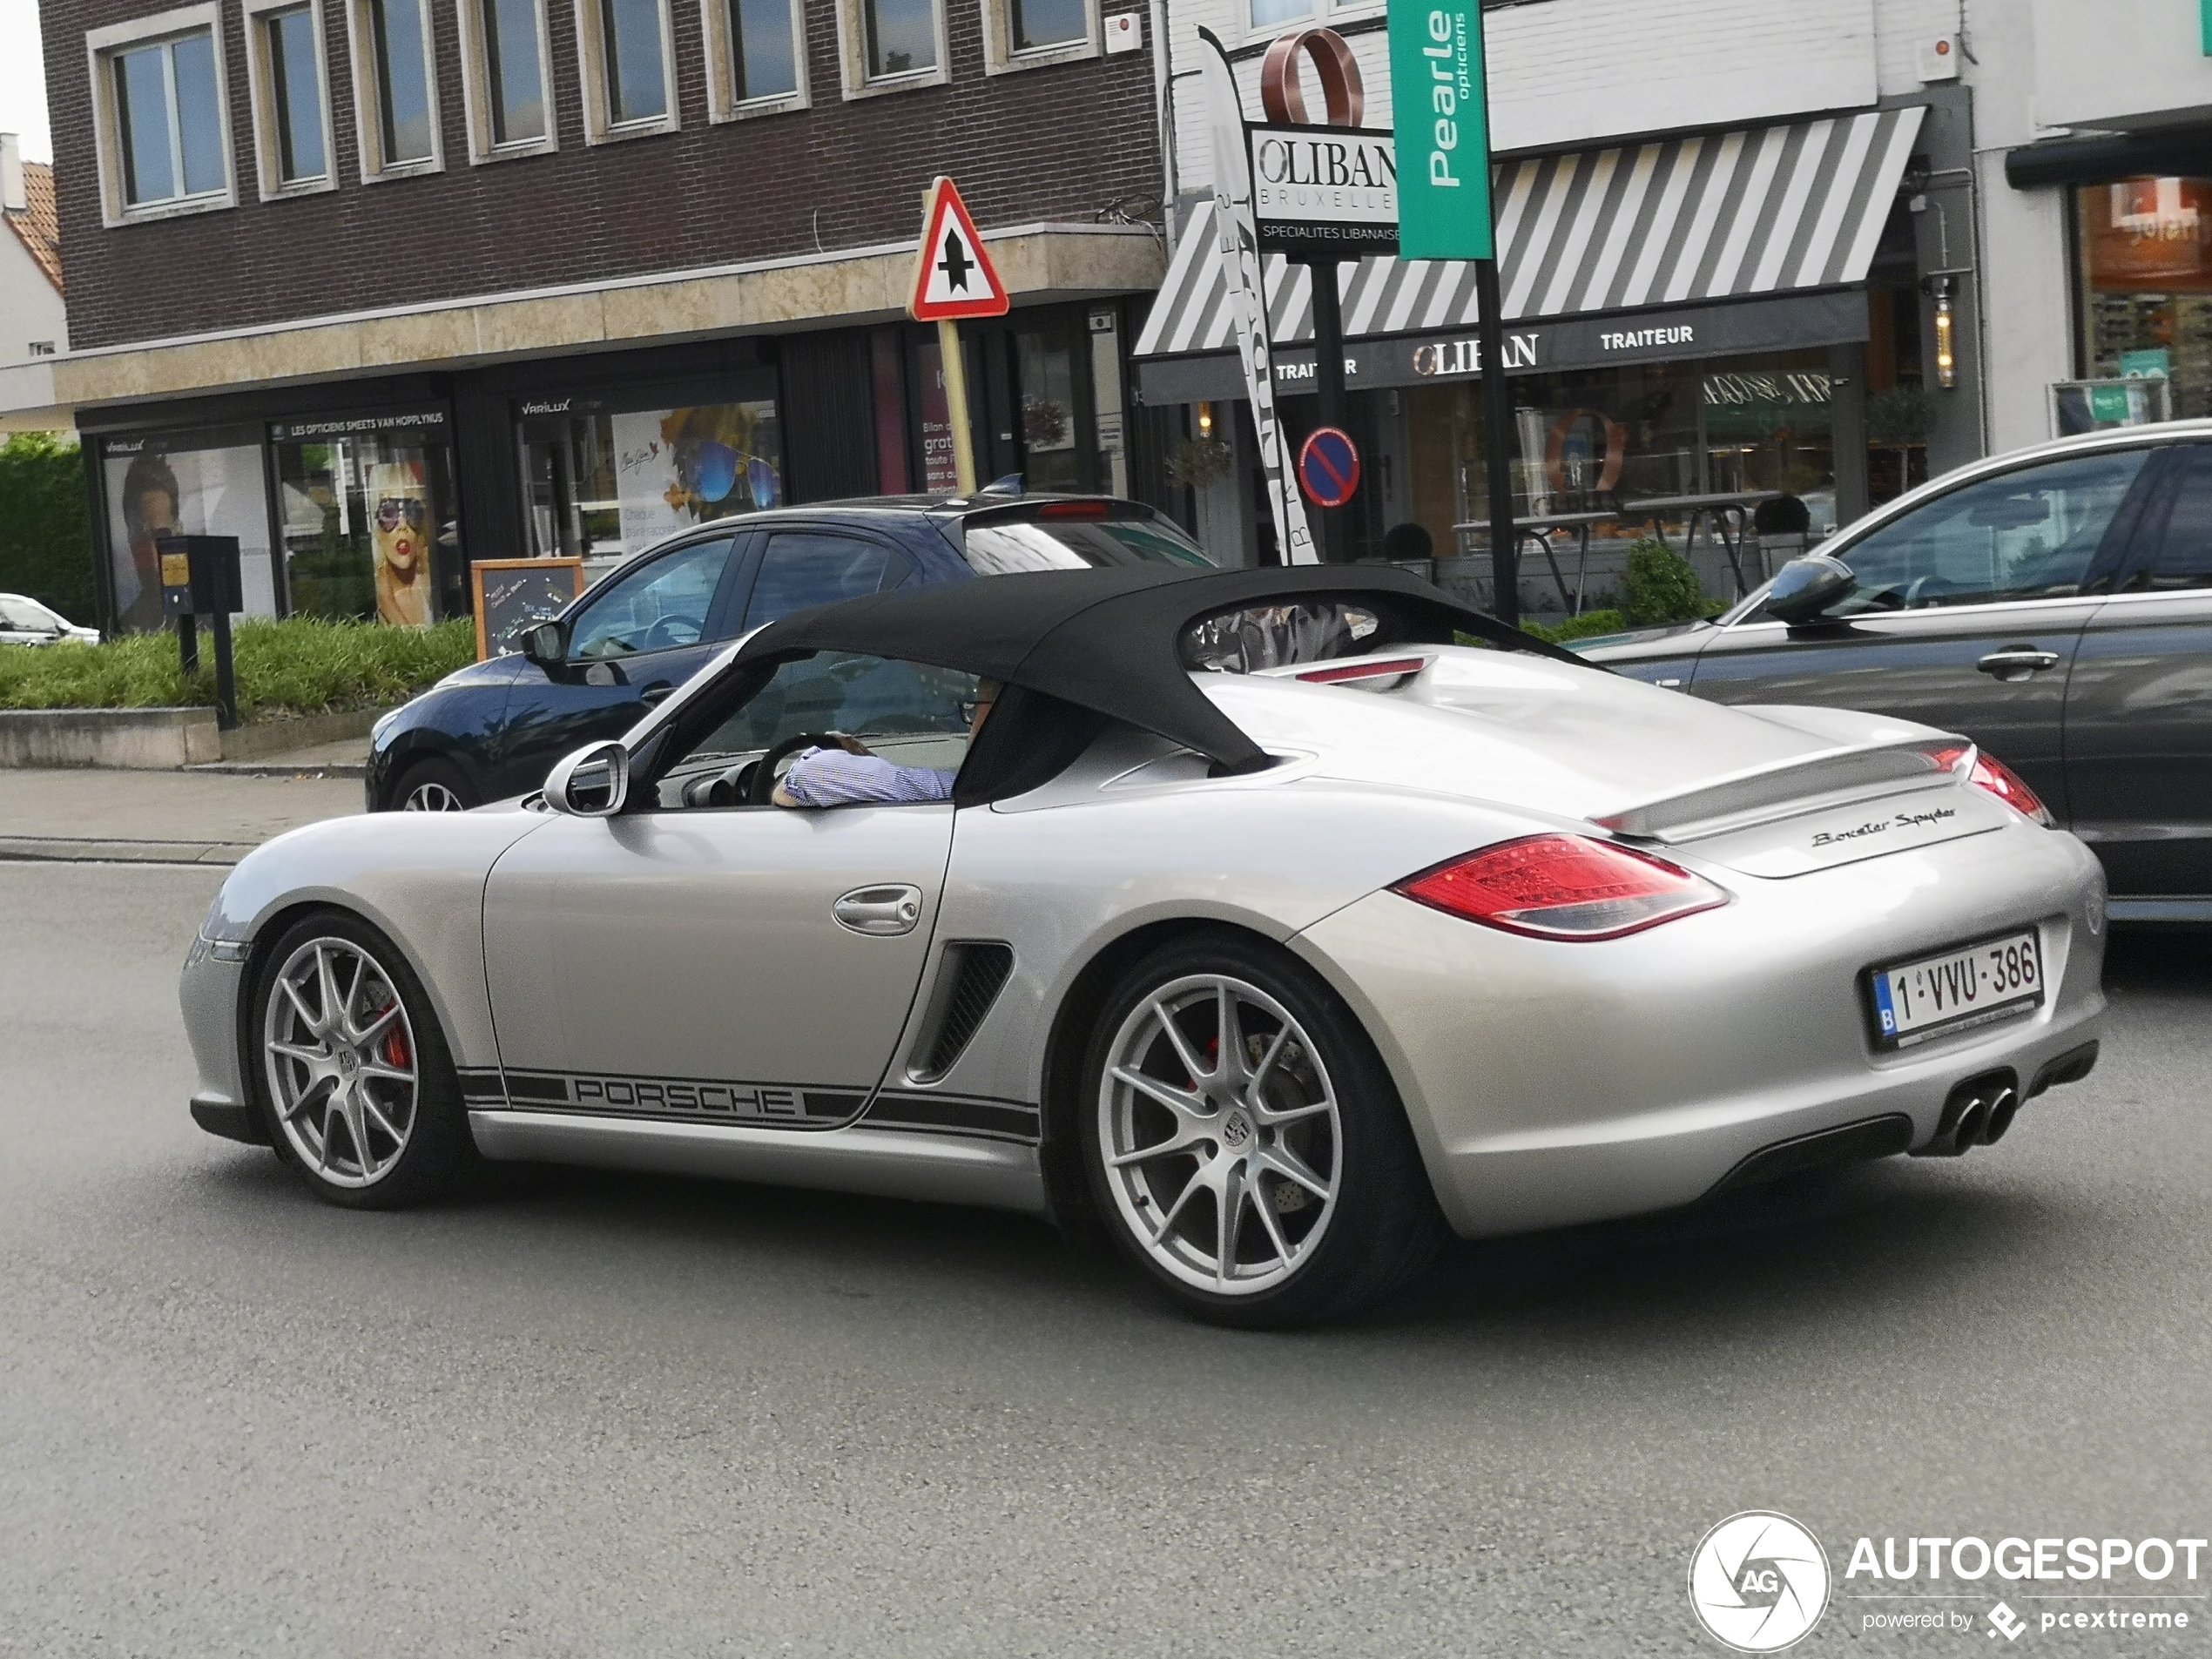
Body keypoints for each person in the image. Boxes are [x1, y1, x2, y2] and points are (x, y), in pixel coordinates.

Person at [774, 680, 996, 808]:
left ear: (1007, 713)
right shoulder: (1007, 785)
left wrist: (846, 751)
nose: (970, 720)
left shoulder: (977, 788)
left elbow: (809, 775)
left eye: (977, 705)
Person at [372, 462, 434, 627]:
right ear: (377, 530)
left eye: (413, 512)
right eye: (389, 513)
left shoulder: (433, 583)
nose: (402, 525)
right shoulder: (373, 597)